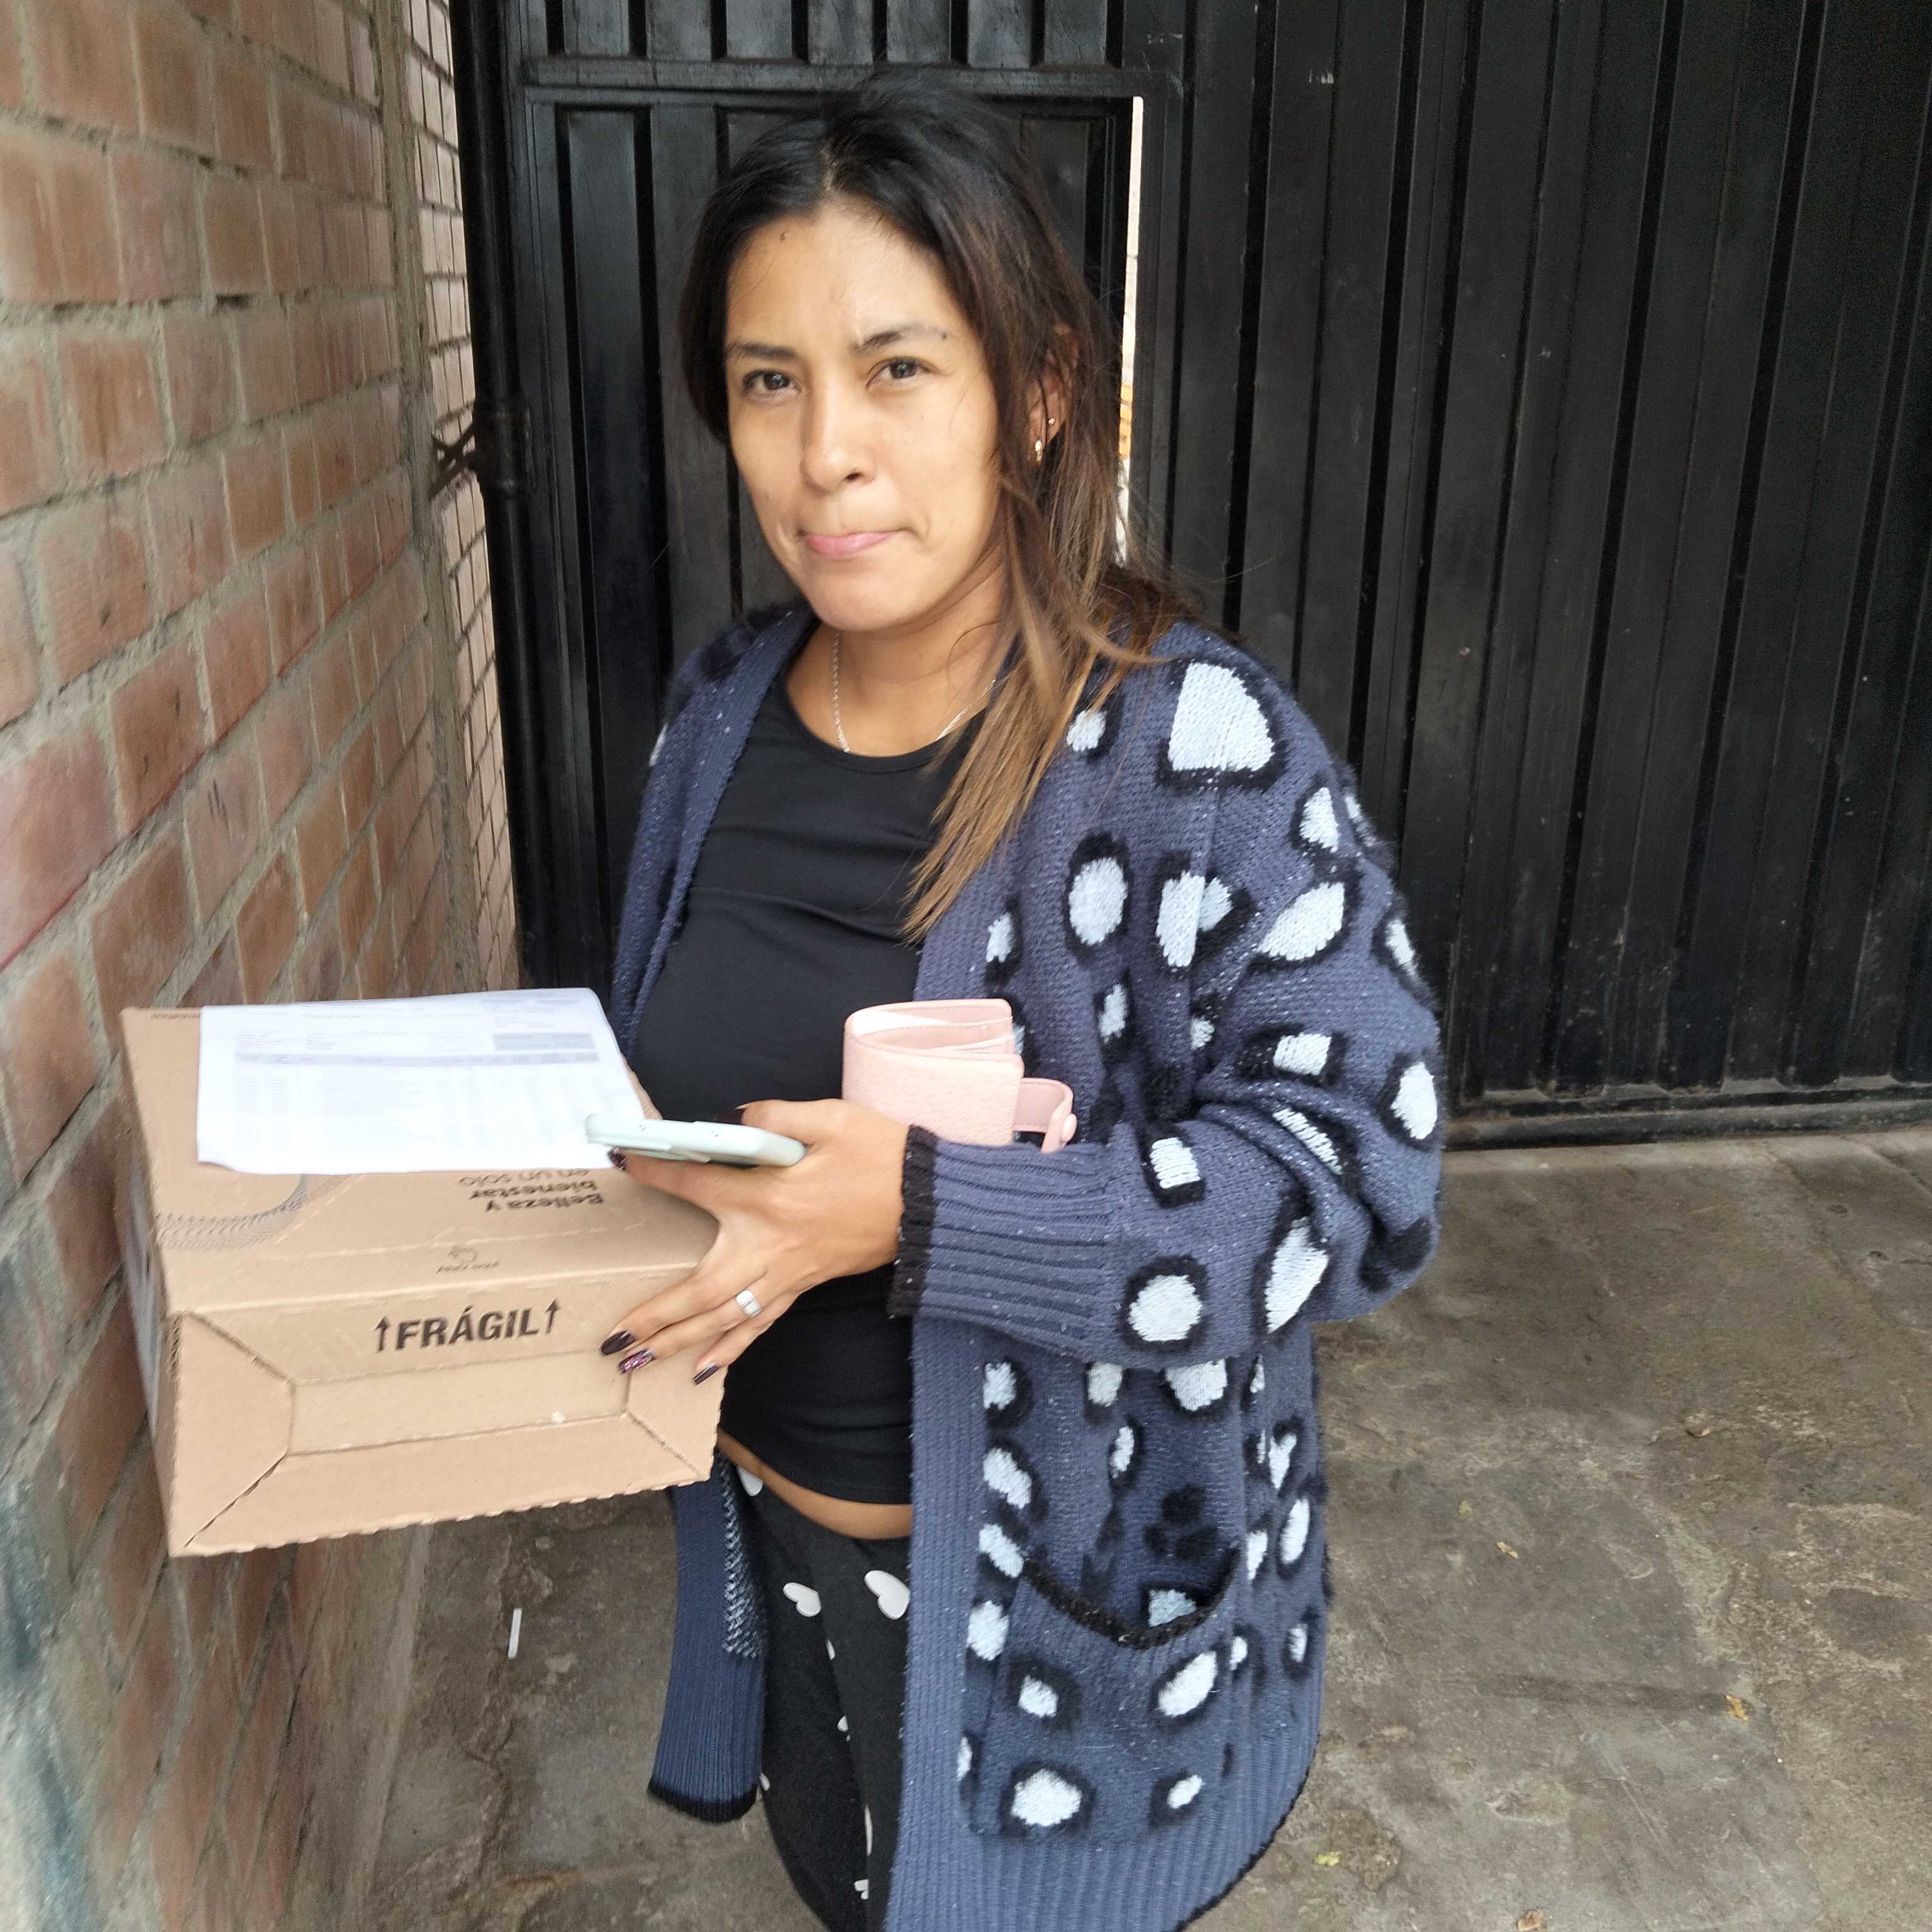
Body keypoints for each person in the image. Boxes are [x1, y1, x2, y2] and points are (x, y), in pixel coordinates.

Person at [599, 67, 1444, 1932]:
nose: (826, 452)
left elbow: (1358, 1184)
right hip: (775, 1557)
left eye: (898, 369)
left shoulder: (1196, 753)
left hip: (1071, 1651)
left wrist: (922, 1213)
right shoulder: (715, 715)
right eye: (769, 380)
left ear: (1039, 392)